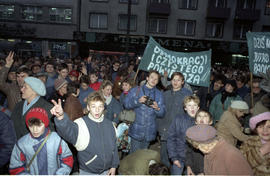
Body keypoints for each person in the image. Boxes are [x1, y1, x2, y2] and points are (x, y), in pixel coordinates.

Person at [51, 91, 119, 175]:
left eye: (100, 106)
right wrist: (61, 117)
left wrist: (114, 166)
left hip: (106, 171)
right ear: (88, 107)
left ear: (103, 108)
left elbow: (114, 147)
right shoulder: (81, 124)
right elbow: (68, 131)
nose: (97, 110)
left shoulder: (110, 125)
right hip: (88, 171)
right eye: (93, 106)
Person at [9, 107, 73, 175]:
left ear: (45, 124)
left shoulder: (57, 139)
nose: (35, 130)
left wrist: (60, 174)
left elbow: (67, 159)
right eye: (31, 126)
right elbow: (15, 167)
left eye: (39, 125)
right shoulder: (21, 144)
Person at [124, 70, 165, 153]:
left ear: (158, 82)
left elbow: (162, 113)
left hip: (149, 131)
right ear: (147, 78)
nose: (153, 80)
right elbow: (126, 104)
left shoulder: (159, 94)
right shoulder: (136, 90)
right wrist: (138, 101)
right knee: (134, 156)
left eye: (156, 79)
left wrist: (157, 108)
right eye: (152, 77)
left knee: (143, 157)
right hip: (136, 129)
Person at [186, 124, 253, 175]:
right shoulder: (208, 153)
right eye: (199, 146)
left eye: (210, 144)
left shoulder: (231, 155)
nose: (204, 148)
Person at [157, 72, 192, 168]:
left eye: (178, 80)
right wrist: (160, 127)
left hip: (179, 133)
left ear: (182, 82)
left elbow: (191, 114)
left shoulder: (187, 95)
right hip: (165, 131)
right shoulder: (165, 94)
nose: (175, 82)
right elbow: (160, 112)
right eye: (173, 80)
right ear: (170, 81)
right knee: (164, 157)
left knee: (179, 159)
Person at [167, 95, 200, 175]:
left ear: (198, 108)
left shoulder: (201, 121)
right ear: (185, 108)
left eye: (194, 105)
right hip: (179, 157)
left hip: (193, 160)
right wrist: (174, 158)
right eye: (189, 105)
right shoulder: (178, 119)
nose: (192, 108)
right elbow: (171, 139)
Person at [185, 110, 213, 175]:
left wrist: (204, 173)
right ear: (196, 122)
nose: (202, 118)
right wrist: (188, 167)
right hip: (194, 171)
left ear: (210, 122)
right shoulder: (191, 136)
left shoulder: (213, 138)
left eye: (205, 116)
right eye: (199, 116)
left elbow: (216, 160)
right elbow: (188, 153)